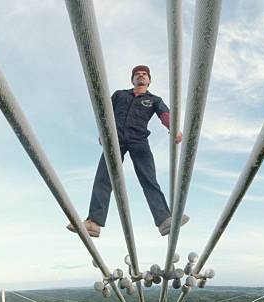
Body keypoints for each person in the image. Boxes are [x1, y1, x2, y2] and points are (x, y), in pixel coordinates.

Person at [67, 65, 189, 238]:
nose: (141, 76)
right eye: (137, 74)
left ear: (149, 80)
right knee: (104, 177)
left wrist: (174, 129)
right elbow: (104, 113)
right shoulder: (120, 95)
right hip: (115, 140)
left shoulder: (154, 99)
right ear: (132, 80)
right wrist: (104, 133)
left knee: (149, 179)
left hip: (139, 140)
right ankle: (93, 223)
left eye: (144, 74)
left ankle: (164, 220)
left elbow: (165, 115)